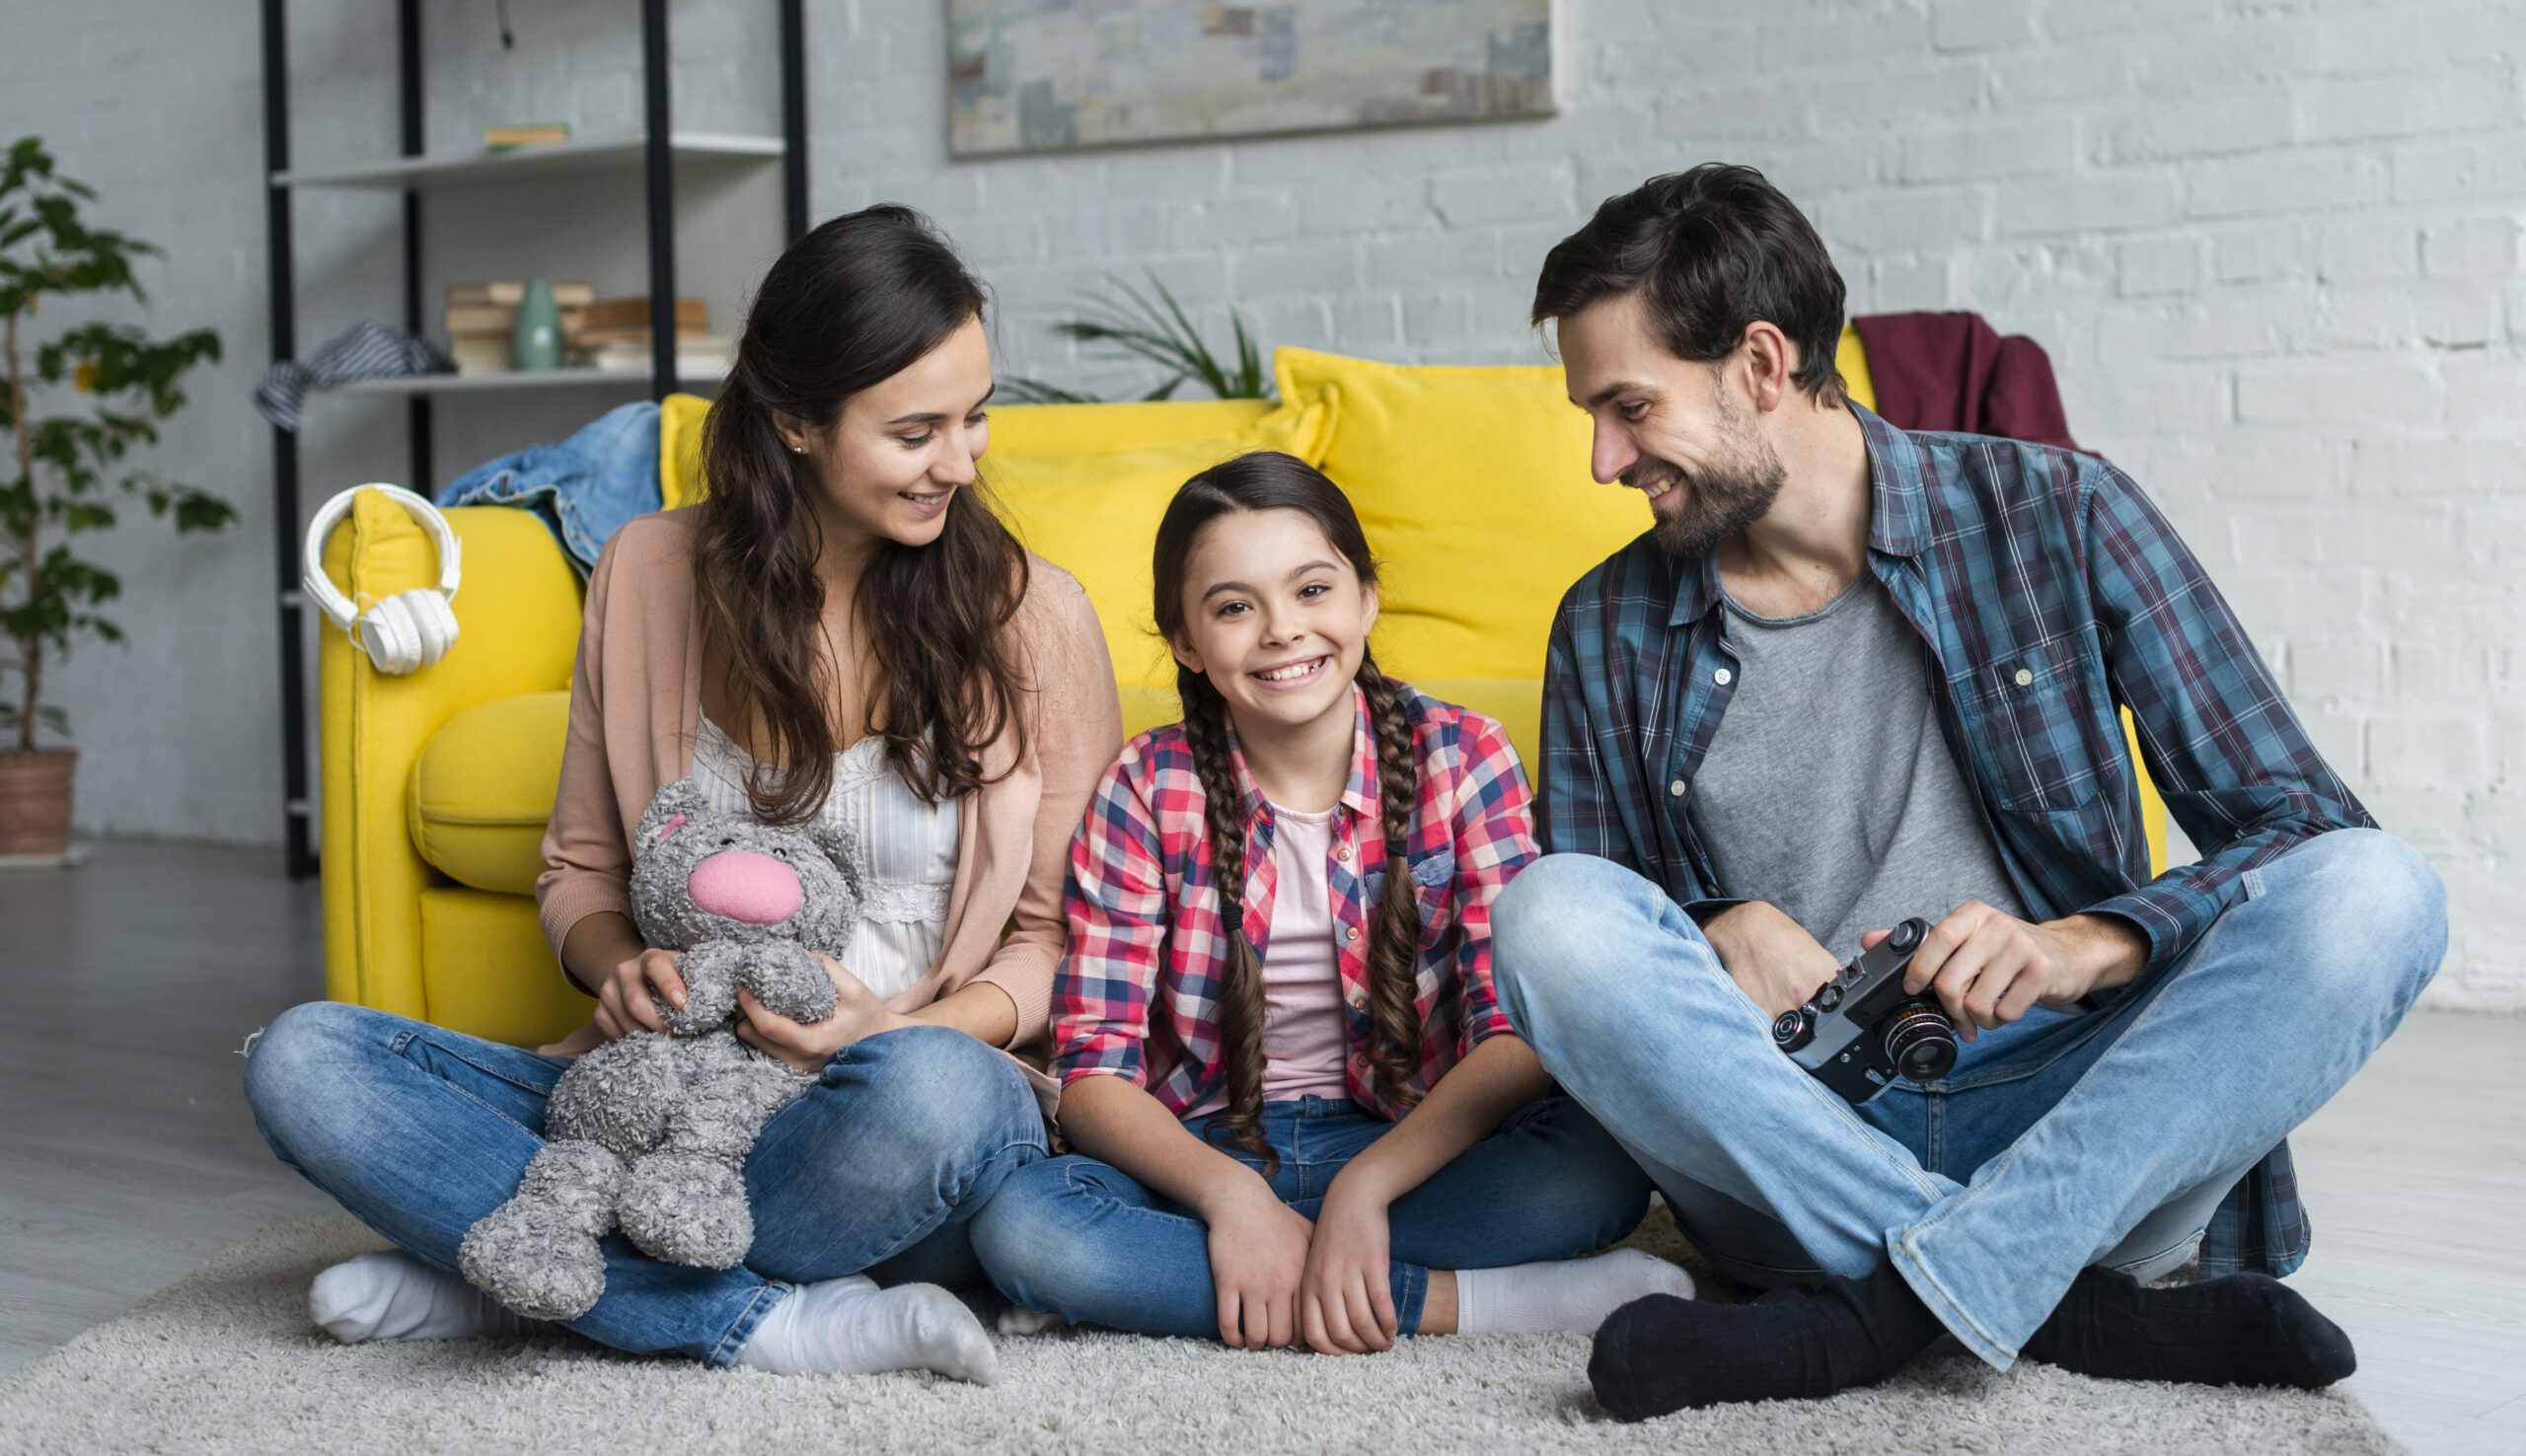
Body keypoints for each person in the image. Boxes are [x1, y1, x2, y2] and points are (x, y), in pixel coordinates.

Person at [1489, 165, 2447, 1420]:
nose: (1604, 459)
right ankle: (2058, 1300)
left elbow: (2304, 824)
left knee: (2381, 890)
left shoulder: (2059, 512)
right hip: (1792, 1140)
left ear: (1761, 365)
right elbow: (1607, 950)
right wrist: (1716, 927)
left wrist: (2086, 944)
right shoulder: (1605, 622)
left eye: (1629, 408)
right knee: (1548, 912)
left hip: (2080, 1116)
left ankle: (1872, 1315)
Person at [244, 207, 1123, 1381]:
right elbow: (581, 871)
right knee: (299, 1056)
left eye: (975, 417)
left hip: (889, 1108)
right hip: (663, 1092)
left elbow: (1063, 938)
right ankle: (756, 1317)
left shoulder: (1033, 614)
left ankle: (524, 1267)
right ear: (795, 422)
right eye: (916, 431)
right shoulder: (649, 572)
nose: (960, 464)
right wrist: (618, 965)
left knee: (936, 1095)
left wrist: (893, 1027)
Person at [971, 452, 1682, 1352]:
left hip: (1415, 1145)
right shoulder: (1145, 786)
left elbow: (1514, 1035)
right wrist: (1232, 1198)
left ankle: (1206, 1279)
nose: (1283, 630)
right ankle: (1461, 1302)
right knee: (1025, 1226)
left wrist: (1366, 1187)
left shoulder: (1465, 755)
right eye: (1234, 607)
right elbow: (1093, 1073)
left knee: (1602, 1160)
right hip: (1207, 1153)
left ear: (1367, 598)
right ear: (1185, 640)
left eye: (1312, 589)